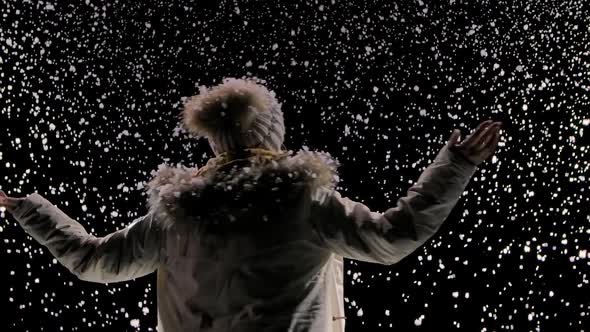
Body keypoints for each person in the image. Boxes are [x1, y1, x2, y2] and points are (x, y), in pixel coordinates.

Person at [0, 77, 502, 332]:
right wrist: (454, 167)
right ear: (273, 132)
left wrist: (26, 208)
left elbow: (92, 260)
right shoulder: (305, 201)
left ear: (215, 139)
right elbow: (393, 238)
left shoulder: (175, 214)